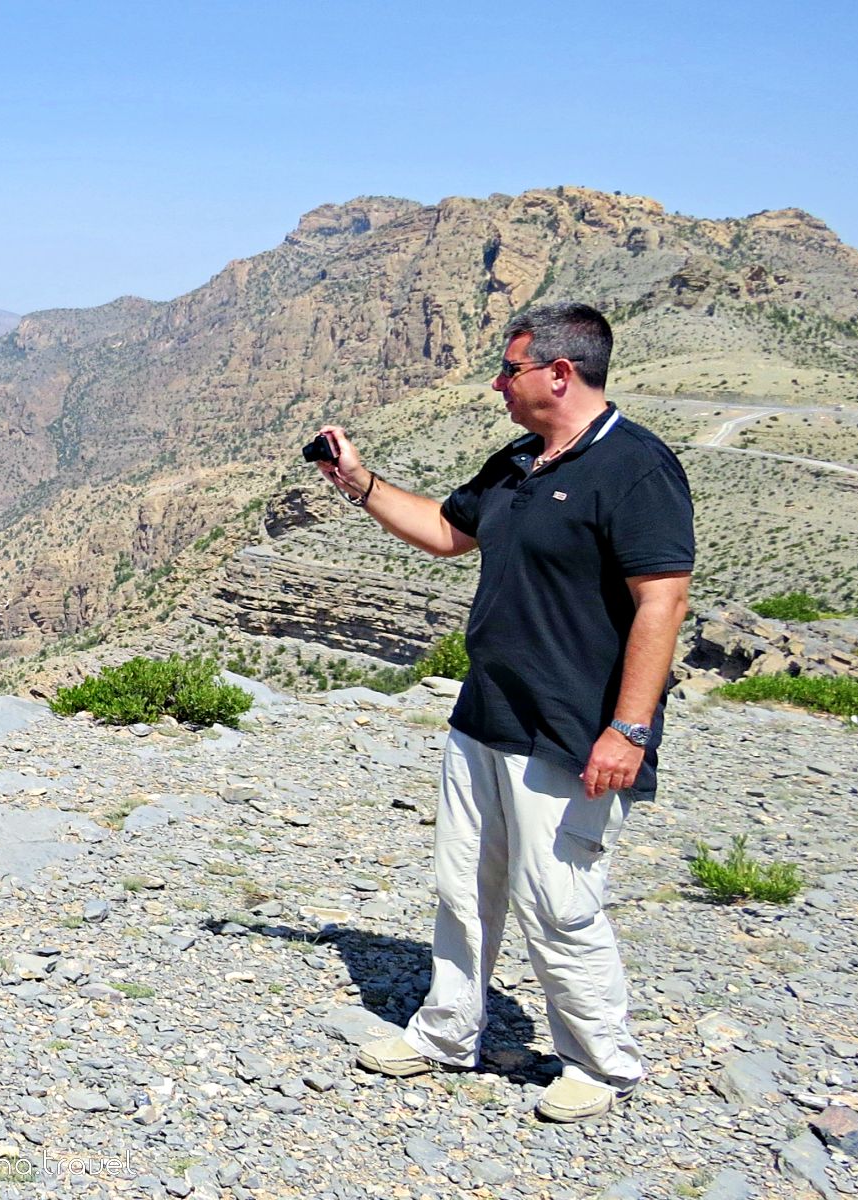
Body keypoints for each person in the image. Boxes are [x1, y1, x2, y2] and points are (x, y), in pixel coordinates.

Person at [310, 302, 693, 1123]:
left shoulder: (636, 468)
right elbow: (450, 532)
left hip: (570, 729)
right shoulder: (521, 460)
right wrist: (361, 483)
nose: (498, 383)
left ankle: (600, 1061)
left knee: (557, 896)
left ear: (560, 372)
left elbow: (661, 601)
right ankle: (449, 1032)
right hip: (484, 714)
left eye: (509, 369)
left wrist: (629, 728)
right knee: (464, 885)